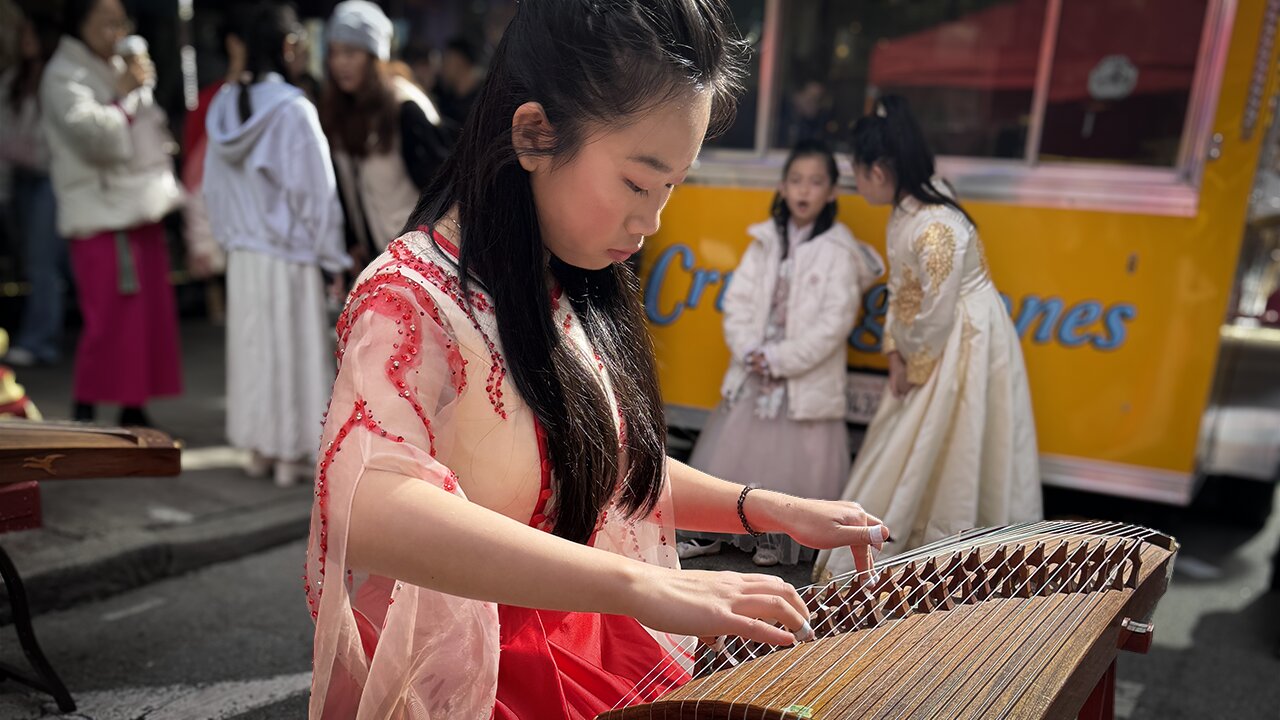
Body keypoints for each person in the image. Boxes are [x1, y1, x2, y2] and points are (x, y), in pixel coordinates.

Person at [304, 1, 890, 717]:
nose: (651, 222)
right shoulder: (408, 299)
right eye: (639, 183)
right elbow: (367, 503)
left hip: (585, 642)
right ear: (534, 134)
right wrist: (637, 584)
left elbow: (593, 462)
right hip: (471, 673)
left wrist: (766, 509)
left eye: (672, 186)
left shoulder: (560, 274)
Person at [814, 95, 1043, 582]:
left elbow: (934, 313)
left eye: (857, 173)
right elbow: (906, 291)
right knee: (929, 438)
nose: (856, 183)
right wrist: (895, 349)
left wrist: (910, 364)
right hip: (943, 329)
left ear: (879, 171)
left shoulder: (934, 227)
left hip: (963, 337)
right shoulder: (917, 205)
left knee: (946, 434)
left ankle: (939, 551)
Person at [677, 139, 885, 567]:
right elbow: (737, 301)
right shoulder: (766, 240)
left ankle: (777, 536)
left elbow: (834, 324)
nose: (804, 191)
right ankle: (716, 530)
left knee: (789, 467)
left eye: (815, 183)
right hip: (755, 368)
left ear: (831, 192)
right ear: (783, 188)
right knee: (733, 457)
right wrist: (749, 350)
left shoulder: (838, 250)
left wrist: (780, 359)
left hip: (801, 381)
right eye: (795, 181)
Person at [202, 3, 351, 487]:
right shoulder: (292, 109)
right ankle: (294, 454)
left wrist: (229, 238)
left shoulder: (223, 104)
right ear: (289, 46)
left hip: (245, 255)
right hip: (289, 256)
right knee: (294, 355)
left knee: (254, 350)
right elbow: (315, 195)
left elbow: (213, 188)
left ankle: (259, 449)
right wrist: (331, 254)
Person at [41, 0, 185, 426]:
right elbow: (93, 138)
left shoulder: (120, 62)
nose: (115, 31)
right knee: (107, 317)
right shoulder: (62, 73)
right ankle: (85, 403)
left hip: (139, 203)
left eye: (119, 22)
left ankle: (132, 405)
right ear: (79, 23)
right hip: (99, 212)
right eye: (105, 23)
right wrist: (124, 95)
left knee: (146, 315)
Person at [320, 0, 451, 268]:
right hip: (376, 259)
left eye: (351, 52)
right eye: (334, 53)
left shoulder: (405, 106)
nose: (340, 63)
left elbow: (442, 190)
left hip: (420, 261)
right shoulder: (341, 109)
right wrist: (353, 241)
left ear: (374, 56)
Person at [0, 12, 66, 367]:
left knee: (43, 263)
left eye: (29, 34)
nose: (22, 41)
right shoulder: (12, 81)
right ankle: (43, 335)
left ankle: (40, 338)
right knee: (34, 262)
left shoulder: (56, 81)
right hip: (19, 180)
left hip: (49, 179)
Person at [179, 7, 248, 326]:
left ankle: (219, 305)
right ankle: (221, 304)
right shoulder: (226, 96)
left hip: (203, 178)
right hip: (208, 178)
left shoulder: (207, 100)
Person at [433, 34, 482, 128]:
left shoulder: (482, 103)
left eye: (447, 60)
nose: (442, 67)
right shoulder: (447, 99)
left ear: (460, 62)